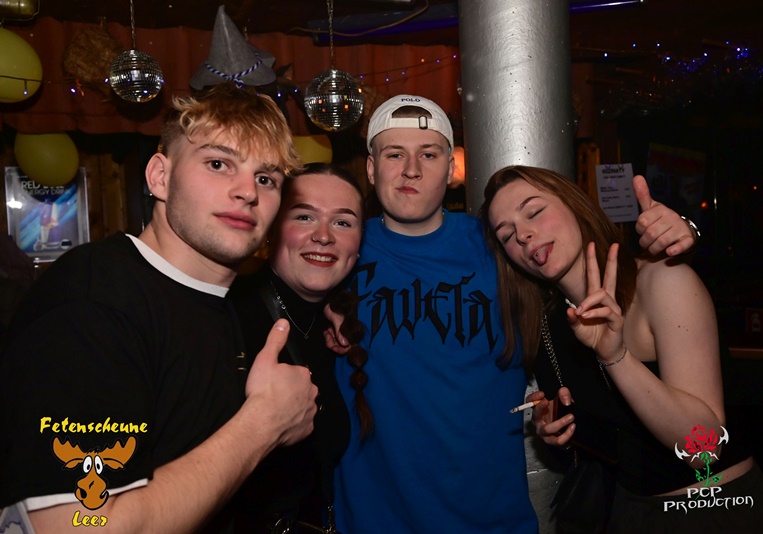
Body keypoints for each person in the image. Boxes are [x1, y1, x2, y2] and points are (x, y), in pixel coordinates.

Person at [328, 94, 698, 533]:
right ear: (372, 169)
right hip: (373, 519)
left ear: (450, 169)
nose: (412, 169)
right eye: (394, 154)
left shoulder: (501, 245)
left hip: (492, 520)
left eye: (428, 154)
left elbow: (585, 272)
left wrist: (682, 232)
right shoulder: (337, 249)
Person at [0, 82, 318, 533]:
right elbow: (81, 526)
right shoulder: (94, 305)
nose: (247, 191)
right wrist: (264, 423)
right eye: (218, 163)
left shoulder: (215, 301)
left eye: (266, 179)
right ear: (159, 177)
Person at [480, 165, 763, 533]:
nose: (523, 235)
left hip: (716, 511)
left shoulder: (662, 281)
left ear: (573, 204)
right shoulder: (550, 325)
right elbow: (620, 439)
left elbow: (705, 450)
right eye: (507, 235)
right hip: (631, 515)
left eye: (534, 211)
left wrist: (615, 357)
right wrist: (558, 433)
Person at [230, 163, 368, 533]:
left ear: (359, 245)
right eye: (304, 216)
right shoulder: (229, 316)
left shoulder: (332, 325)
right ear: (272, 228)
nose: (323, 236)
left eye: (343, 222)